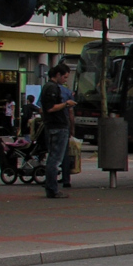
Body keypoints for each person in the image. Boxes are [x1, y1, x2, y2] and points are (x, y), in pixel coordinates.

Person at [38, 64, 76, 199]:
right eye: (65, 77)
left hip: (52, 125)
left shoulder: (49, 87)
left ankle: (51, 187)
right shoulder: (52, 88)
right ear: (58, 75)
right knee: (55, 159)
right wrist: (66, 104)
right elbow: (50, 108)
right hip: (58, 126)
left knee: (53, 158)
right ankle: (52, 189)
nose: (65, 80)